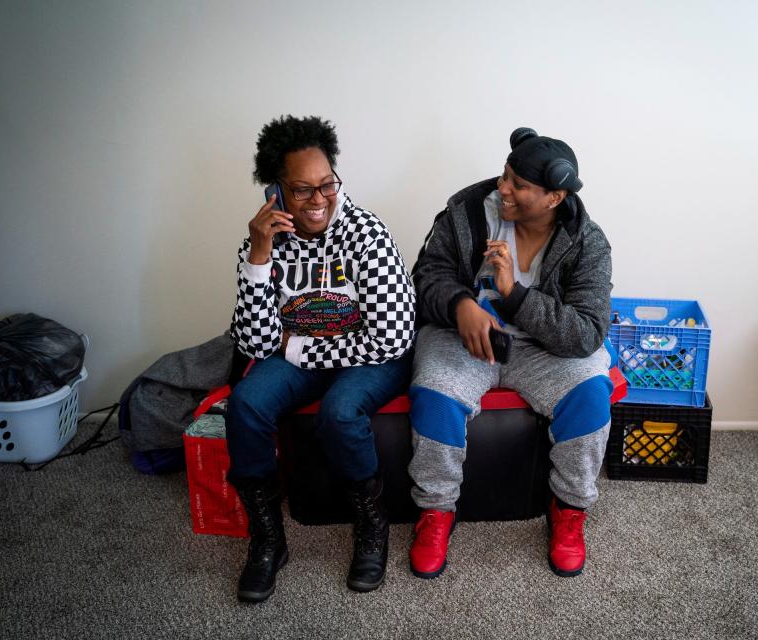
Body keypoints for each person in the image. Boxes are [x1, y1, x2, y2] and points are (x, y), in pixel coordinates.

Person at [408, 127, 613, 579]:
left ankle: (569, 510)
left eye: (519, 185)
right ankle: (436, 512)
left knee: (591, 392)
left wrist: (515, 296)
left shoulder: (588, 242)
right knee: (434, 394)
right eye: (505, 175)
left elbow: (586, 333)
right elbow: (425, 276)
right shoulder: (466, 211)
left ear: (555, 196)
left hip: (544, 349)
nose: (504, 188)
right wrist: (460, 304)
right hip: (463, 339)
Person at [226, 115, 416, 600]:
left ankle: (371, 529)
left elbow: (392, 339)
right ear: (276, 191)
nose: (318, 199)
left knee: (339, 411)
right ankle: (268, 539)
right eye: (302, 188)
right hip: (307, 351)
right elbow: (253, 343)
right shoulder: (260, 242)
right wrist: (261, 256)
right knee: (246, 403)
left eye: (326, 184)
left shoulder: (366, 234)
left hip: (371, 355)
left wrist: (298, 346)